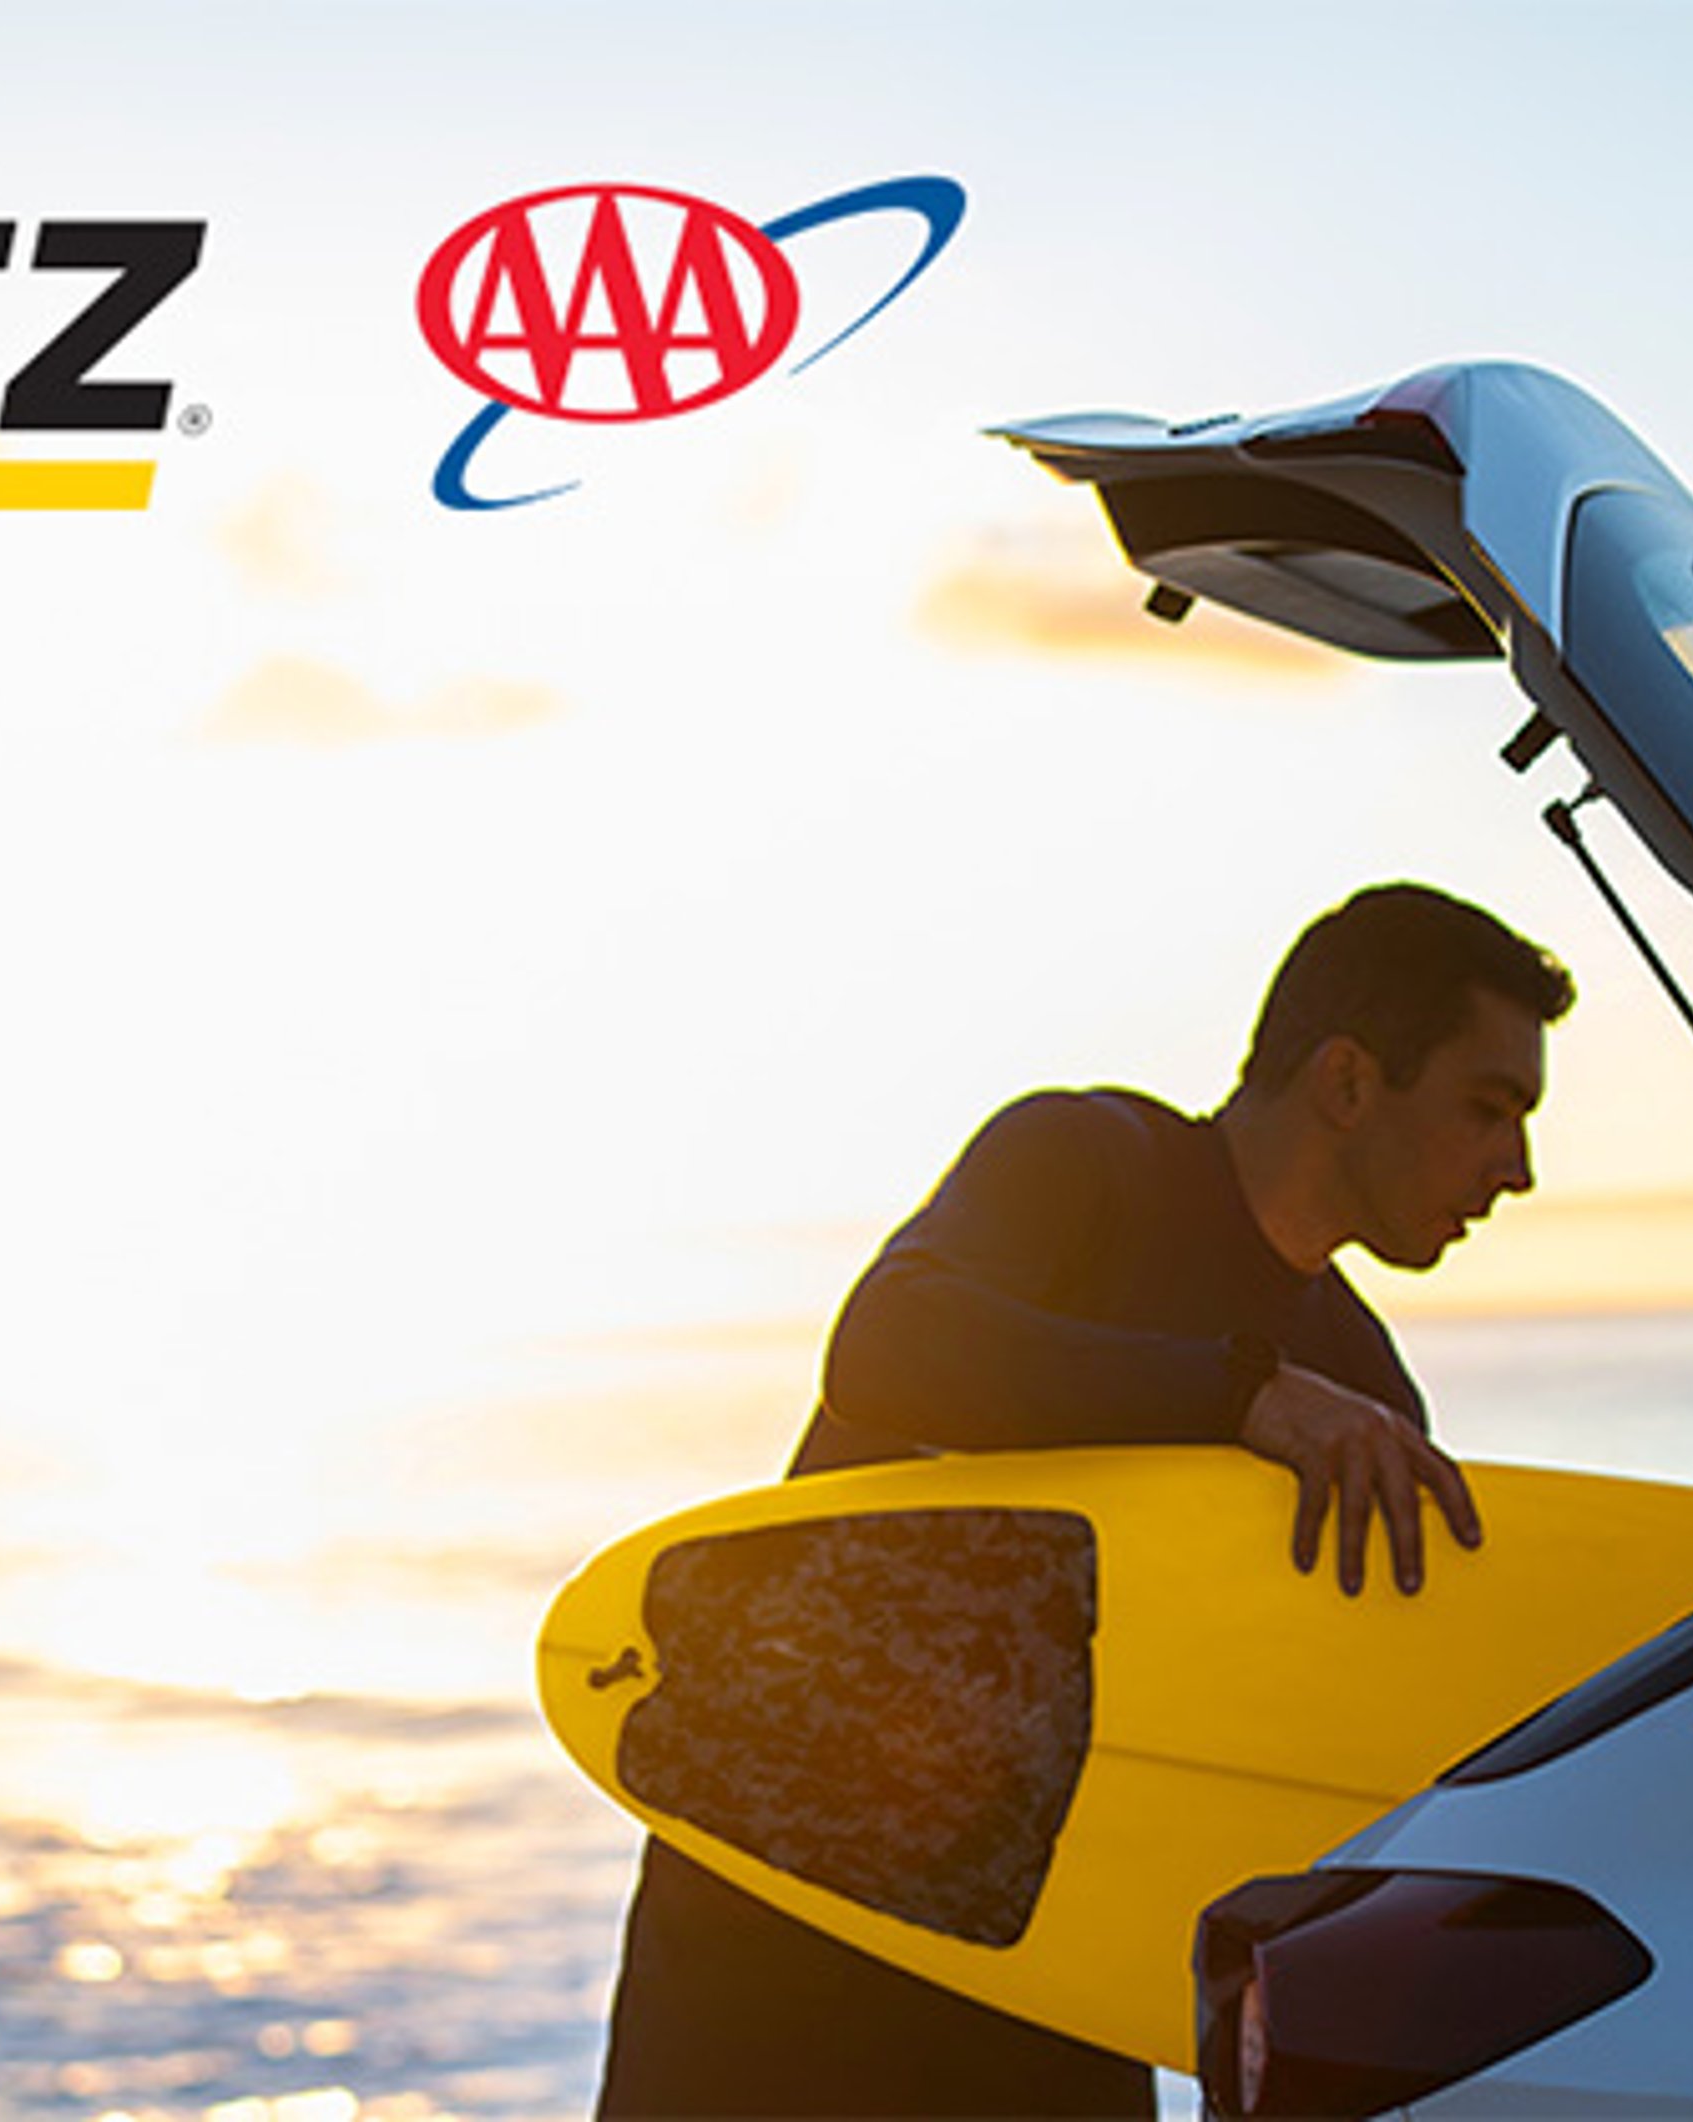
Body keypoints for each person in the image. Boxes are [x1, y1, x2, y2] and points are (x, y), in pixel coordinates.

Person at [594, 882, 1576, 2119]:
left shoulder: (1366, 1395)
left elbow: (1306, 1736)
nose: (1521, 1167)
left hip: (1042, 1967)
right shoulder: (1085, 1167)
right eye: (1490, 1106)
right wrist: (1244, 1399)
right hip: (781, 1915)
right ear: (1346, 1080)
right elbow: (890, 1345)